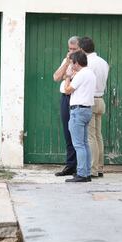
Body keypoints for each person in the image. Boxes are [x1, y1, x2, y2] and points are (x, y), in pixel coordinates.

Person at [79, 37, 109, 178]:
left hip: (90, 100)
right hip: (100, 99)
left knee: (90, 137)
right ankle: (100, 167)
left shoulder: (88, 63)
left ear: (83, 49)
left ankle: (92, 169)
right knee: (98, 135)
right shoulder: (103, 62)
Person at [63, 50, 96, 182]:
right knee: (84, 143)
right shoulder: (90, 73)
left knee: (79, 145)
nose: (71, 66)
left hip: (78, 111)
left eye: (72, 63)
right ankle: (86, 172)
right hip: (87, 110)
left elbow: (67, 90)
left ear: (76, 63)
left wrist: (67, 77)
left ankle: (82, 173)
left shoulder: (81, 75)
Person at [53, 36, 80, 177]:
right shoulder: (67, 60)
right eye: (69, 49)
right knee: (67, 132)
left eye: (74, 49)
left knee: (78, 133)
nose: (71, 51)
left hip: (76, 98)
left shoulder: (83, 62)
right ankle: (70, 165)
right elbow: (56, 77)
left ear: (80, 48)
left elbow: (74, 80)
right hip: (65, 98)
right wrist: (67, 63)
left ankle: (79, 166)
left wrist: (67, 77)